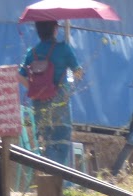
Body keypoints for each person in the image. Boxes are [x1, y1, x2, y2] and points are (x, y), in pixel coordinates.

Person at [19, 20, 82, 167]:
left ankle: (46, 176)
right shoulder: (64, 49)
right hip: (60, 99)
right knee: (61, 139)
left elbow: (19, 75)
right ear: (55, 29)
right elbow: (77, 72)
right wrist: (72, 80)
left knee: (44, 138)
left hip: (39, 101)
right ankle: (60, 180)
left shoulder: (32, 52)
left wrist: (34, 87)